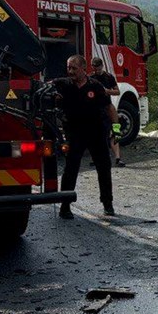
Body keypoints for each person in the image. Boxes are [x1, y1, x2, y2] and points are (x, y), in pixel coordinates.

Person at [54, 55, 114, 218]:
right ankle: (65, 206)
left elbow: (109, 108)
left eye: (74, 68)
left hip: (96, 133)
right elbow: (45, 89)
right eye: (68, 68)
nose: (70, 71)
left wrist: (116, 130)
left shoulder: (95, 86)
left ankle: (107, 204)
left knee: (104, 167)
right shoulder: (63, 85)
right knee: (71, 169)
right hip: (75, 134)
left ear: (83, 69)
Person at [90, 57, 126, 167]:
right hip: (96, 109)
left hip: (108, 107)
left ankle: (118, 158)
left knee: (116, 130)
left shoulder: (108, 77)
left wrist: (107, 91)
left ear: (102, 66)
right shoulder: (90, 78)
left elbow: (117, 91)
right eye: (94, 67)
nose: (97, 70)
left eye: (98, 67)